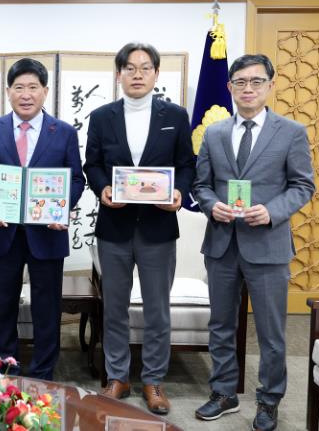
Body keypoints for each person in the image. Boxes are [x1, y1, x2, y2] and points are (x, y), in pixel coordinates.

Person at [193, 54, 314, 431]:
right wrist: (212, 205)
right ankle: (223, 392)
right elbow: (201, 185)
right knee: (220, 324)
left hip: (268, 245)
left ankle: (269, 399)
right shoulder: (214, 133)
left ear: (270, 85)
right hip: (222, 244)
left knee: (271, 330)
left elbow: (303, 185)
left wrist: (272, 211)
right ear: (229, 87)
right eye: (240, 82)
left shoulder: (291, 132)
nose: (248, 88)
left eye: (256, 81)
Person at [83, 42, 195, 414]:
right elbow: (92, 164)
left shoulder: (175, 115)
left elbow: (186, 164)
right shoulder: (102, 117)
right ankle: (118, 376)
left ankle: (154, 380)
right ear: (119, 74)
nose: (137, 74)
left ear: (156, 74)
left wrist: (178, 192)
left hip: (158, 227)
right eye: (130, 68)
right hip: (114, 226)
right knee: (114, 307)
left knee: (157, 309)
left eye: (145, 68)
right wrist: (103, 188)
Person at [0, 58, 85, 380]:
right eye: (19, 87)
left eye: (33, 87)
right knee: (3, 304)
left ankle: (43, 372)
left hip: (47, 232)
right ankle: (6, 369)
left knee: (47, 307)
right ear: (8, 91)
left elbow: (77, 179)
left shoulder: (63, 132)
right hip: (2, 232)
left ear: (45, 91)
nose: (26, 94)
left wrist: (62, 208)